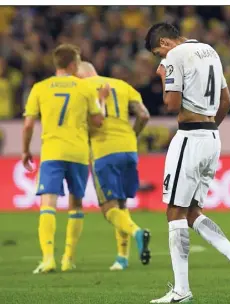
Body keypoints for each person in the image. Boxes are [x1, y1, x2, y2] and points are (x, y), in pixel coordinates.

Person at [145, 23, 230, 303]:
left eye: (158, 51)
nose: (160, 58)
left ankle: (181, 290)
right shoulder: (210, 52)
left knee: (174, 212)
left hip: (190, 138)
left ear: (164, 42)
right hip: (211, 138)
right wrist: (208, 128)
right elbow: (227, 101)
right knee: (192, 212)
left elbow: (171, 104)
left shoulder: (174, 56)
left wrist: (163, 76)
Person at [22, 44, 107, 273]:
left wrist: (25, 150)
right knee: (76, 204)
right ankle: (68, 259)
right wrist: (102, 100)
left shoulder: (40, 88)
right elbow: (99, 122)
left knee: (47, 204)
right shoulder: (84, 88)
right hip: (78, 154)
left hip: (52, 152)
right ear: (72, 65)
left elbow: (29, 124)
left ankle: (48, 258)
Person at [76, 61, 152, 269]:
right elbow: (144, 115)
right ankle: (122, 258)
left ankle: (138, 232)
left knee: (109, 209)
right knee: (121, 204)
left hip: (103, 151)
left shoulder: (81, 89)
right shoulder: (122, 85)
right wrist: (132, 135)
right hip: (129, 149)